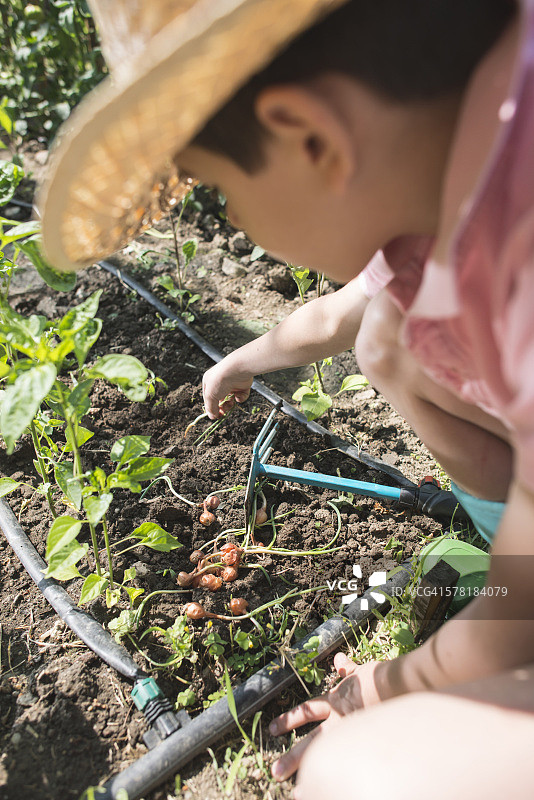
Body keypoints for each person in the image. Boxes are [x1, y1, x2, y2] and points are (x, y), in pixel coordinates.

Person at [39, 0, 534, 796]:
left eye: (221, 193)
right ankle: (505, 552)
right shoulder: (470, 155)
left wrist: (394, 683)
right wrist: (240, 362)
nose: (232, 219)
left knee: (350, 772)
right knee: (386, 333)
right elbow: (341, 316)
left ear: (309, 138)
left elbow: (523, 609)